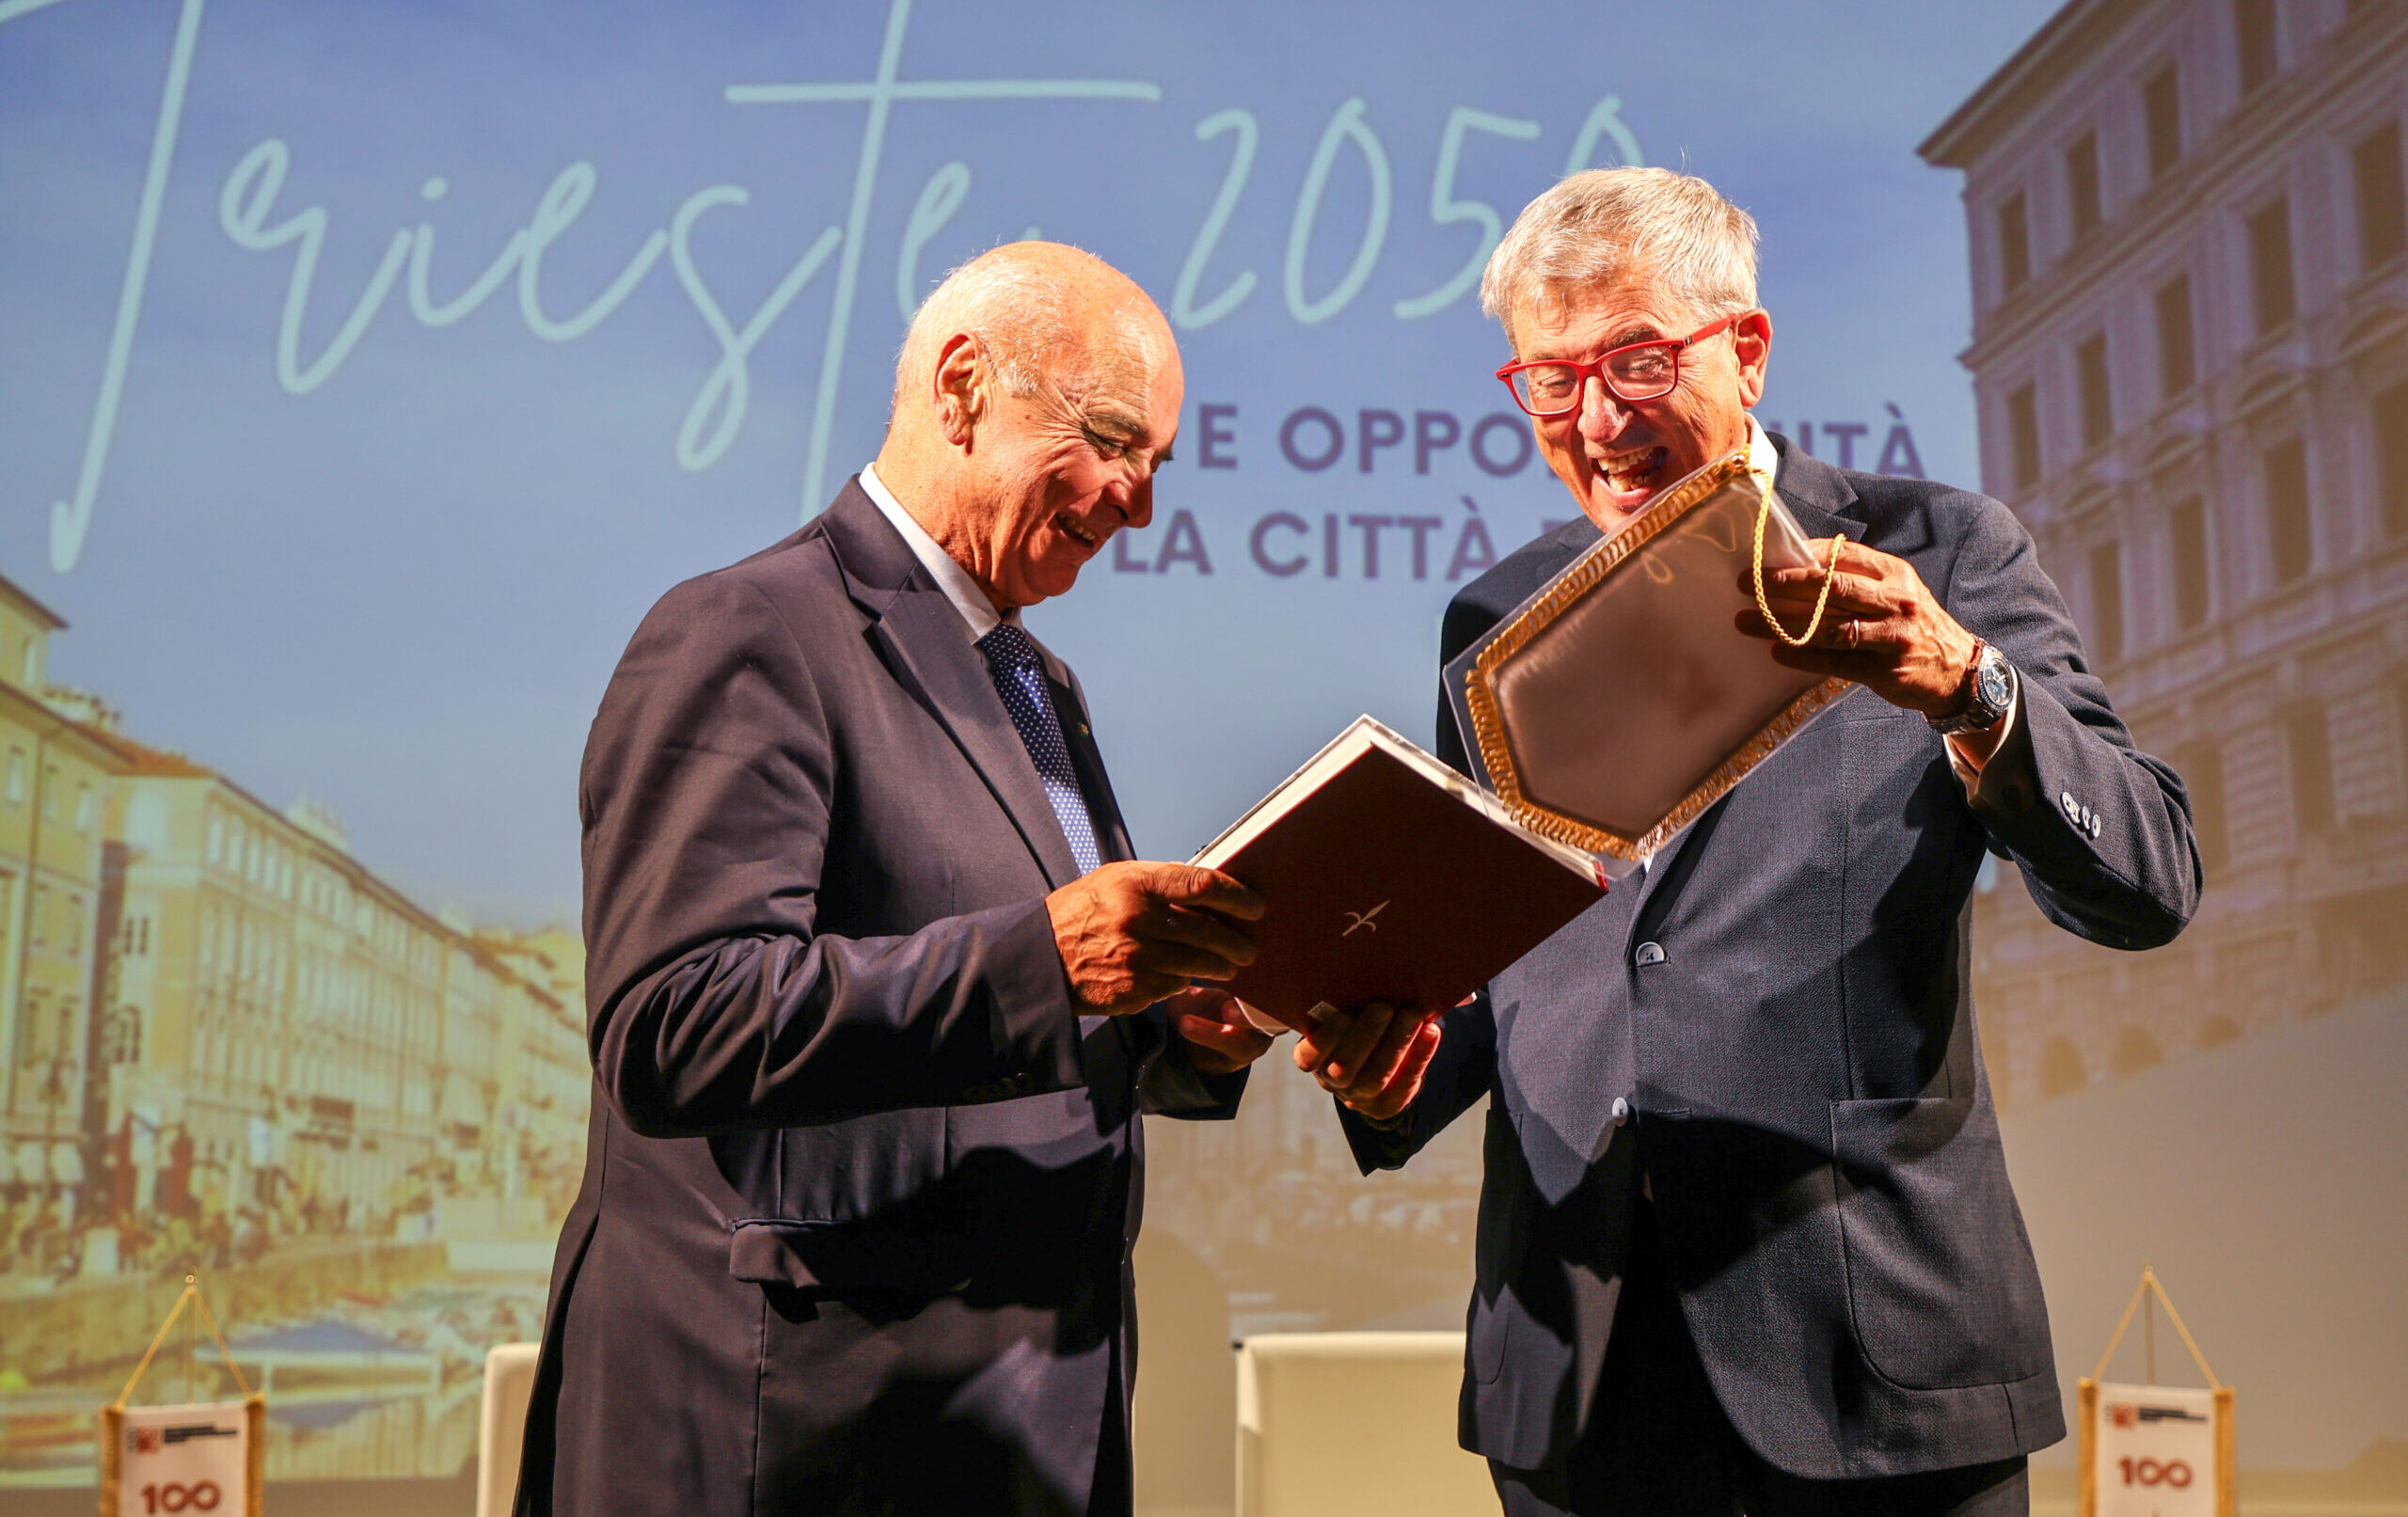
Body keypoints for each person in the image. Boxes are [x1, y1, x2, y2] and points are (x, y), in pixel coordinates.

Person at [1299, 169, 2201, 1517]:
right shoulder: (1495, 616)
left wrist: (1969, 685)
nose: (1595, 420)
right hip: (1577, 1382)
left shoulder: (1940, 554)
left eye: (1638, 361)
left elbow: (2150, 876)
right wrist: (1391, 1066)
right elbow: (1516, 958)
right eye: (1548, 381)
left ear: (1748, 350)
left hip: (1876, 1375)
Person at [515, 242, 1275, 1517]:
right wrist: (1050, 959)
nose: (1138, 503)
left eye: (1157, 464)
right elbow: (675, 1021)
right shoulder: (750, 631)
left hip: (1015, 1429)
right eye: (1110, 439)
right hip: (795, 1438)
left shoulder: (1041, 686)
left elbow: (1046, 1011)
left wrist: (1188, 1026)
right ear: (964, 385)